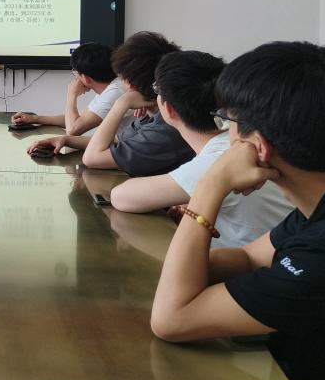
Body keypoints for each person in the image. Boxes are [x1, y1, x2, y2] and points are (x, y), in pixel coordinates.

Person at [150, 42, 325, 380]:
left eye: (227, 121)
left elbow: (171, 320)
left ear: (257, 146)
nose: (225, 131)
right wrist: (181, 268)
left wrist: (210, 186)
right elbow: (248, 258)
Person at [109, 50, 292, 248]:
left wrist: (122, 102)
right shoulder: (240, 141)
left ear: (168, 109)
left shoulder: (220, 159)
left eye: (156, 89)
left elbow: (121, 196)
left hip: (249, 264)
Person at [79, 31, 193, 174]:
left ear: (130, 84)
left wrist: (121, 104)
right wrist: (67, 140)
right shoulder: (154, 114)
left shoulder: (164, 128)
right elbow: (117, 141)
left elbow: (92, 158)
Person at [19, 42, 125, 152]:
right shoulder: (112, 87)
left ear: (86, 78)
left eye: (76, 72)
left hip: (125, 152)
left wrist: (71, 94)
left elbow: (72, 130)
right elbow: (78, 119)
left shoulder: (114, 92)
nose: (76, 78)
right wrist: (35, 119)